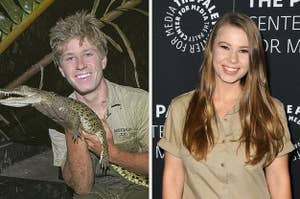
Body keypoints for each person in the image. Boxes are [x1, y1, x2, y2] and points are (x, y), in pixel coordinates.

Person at [158, 12, 294, 199]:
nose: (232, 59)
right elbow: (173, 177)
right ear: (211, 49)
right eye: (225, 47)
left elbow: (279, 179)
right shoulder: (181, 108)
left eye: (243, 51)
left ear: (254, 57)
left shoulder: (271, 110)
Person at [47, 11, 148, 199]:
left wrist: (112, 152)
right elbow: (82, 188)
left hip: (140, 187)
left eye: (88, 54)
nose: (80, 65)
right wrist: (71, 125)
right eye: (70, 58)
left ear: (103, 60)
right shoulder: (58, 116)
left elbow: (163, 166)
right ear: (61, 70)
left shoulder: (140, 101)